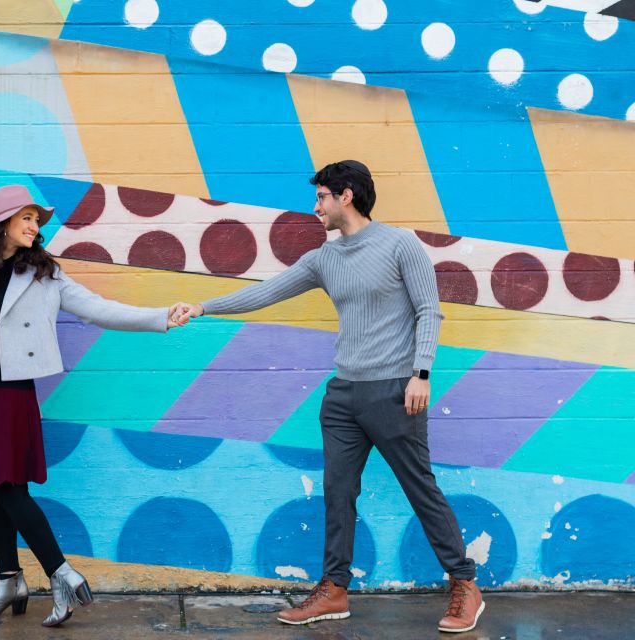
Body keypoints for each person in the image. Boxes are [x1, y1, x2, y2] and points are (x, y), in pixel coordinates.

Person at [171, 161, 484, 634]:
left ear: (347, 196)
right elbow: (267, 293)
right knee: (338, 495)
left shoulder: (400, 245)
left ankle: (465, 583)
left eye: (320, 197)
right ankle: (334, 590)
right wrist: (202, 307)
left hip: (395, 392)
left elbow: (429, 312)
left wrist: (421, 373)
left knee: (420, 489)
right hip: (343, 396)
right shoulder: (323, 258)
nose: (315, 206)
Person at [0, 184, 178, 627]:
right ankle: (9, 581)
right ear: (2, 222)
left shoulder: (44, 274)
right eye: (27, 218)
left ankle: (60, 572)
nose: (35, 226)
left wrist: (159, 317)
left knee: (7, 486)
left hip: (11, 392)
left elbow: (98, 309)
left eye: (36, 220)